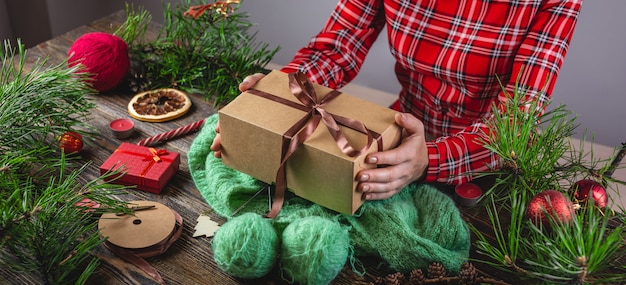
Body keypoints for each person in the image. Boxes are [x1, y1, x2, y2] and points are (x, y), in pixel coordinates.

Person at [211, 0, 583, 201]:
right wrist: (272, 99)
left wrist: (429, 159)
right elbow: (339, 45)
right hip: (397, 135)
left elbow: (516, 120)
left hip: (492, 168)